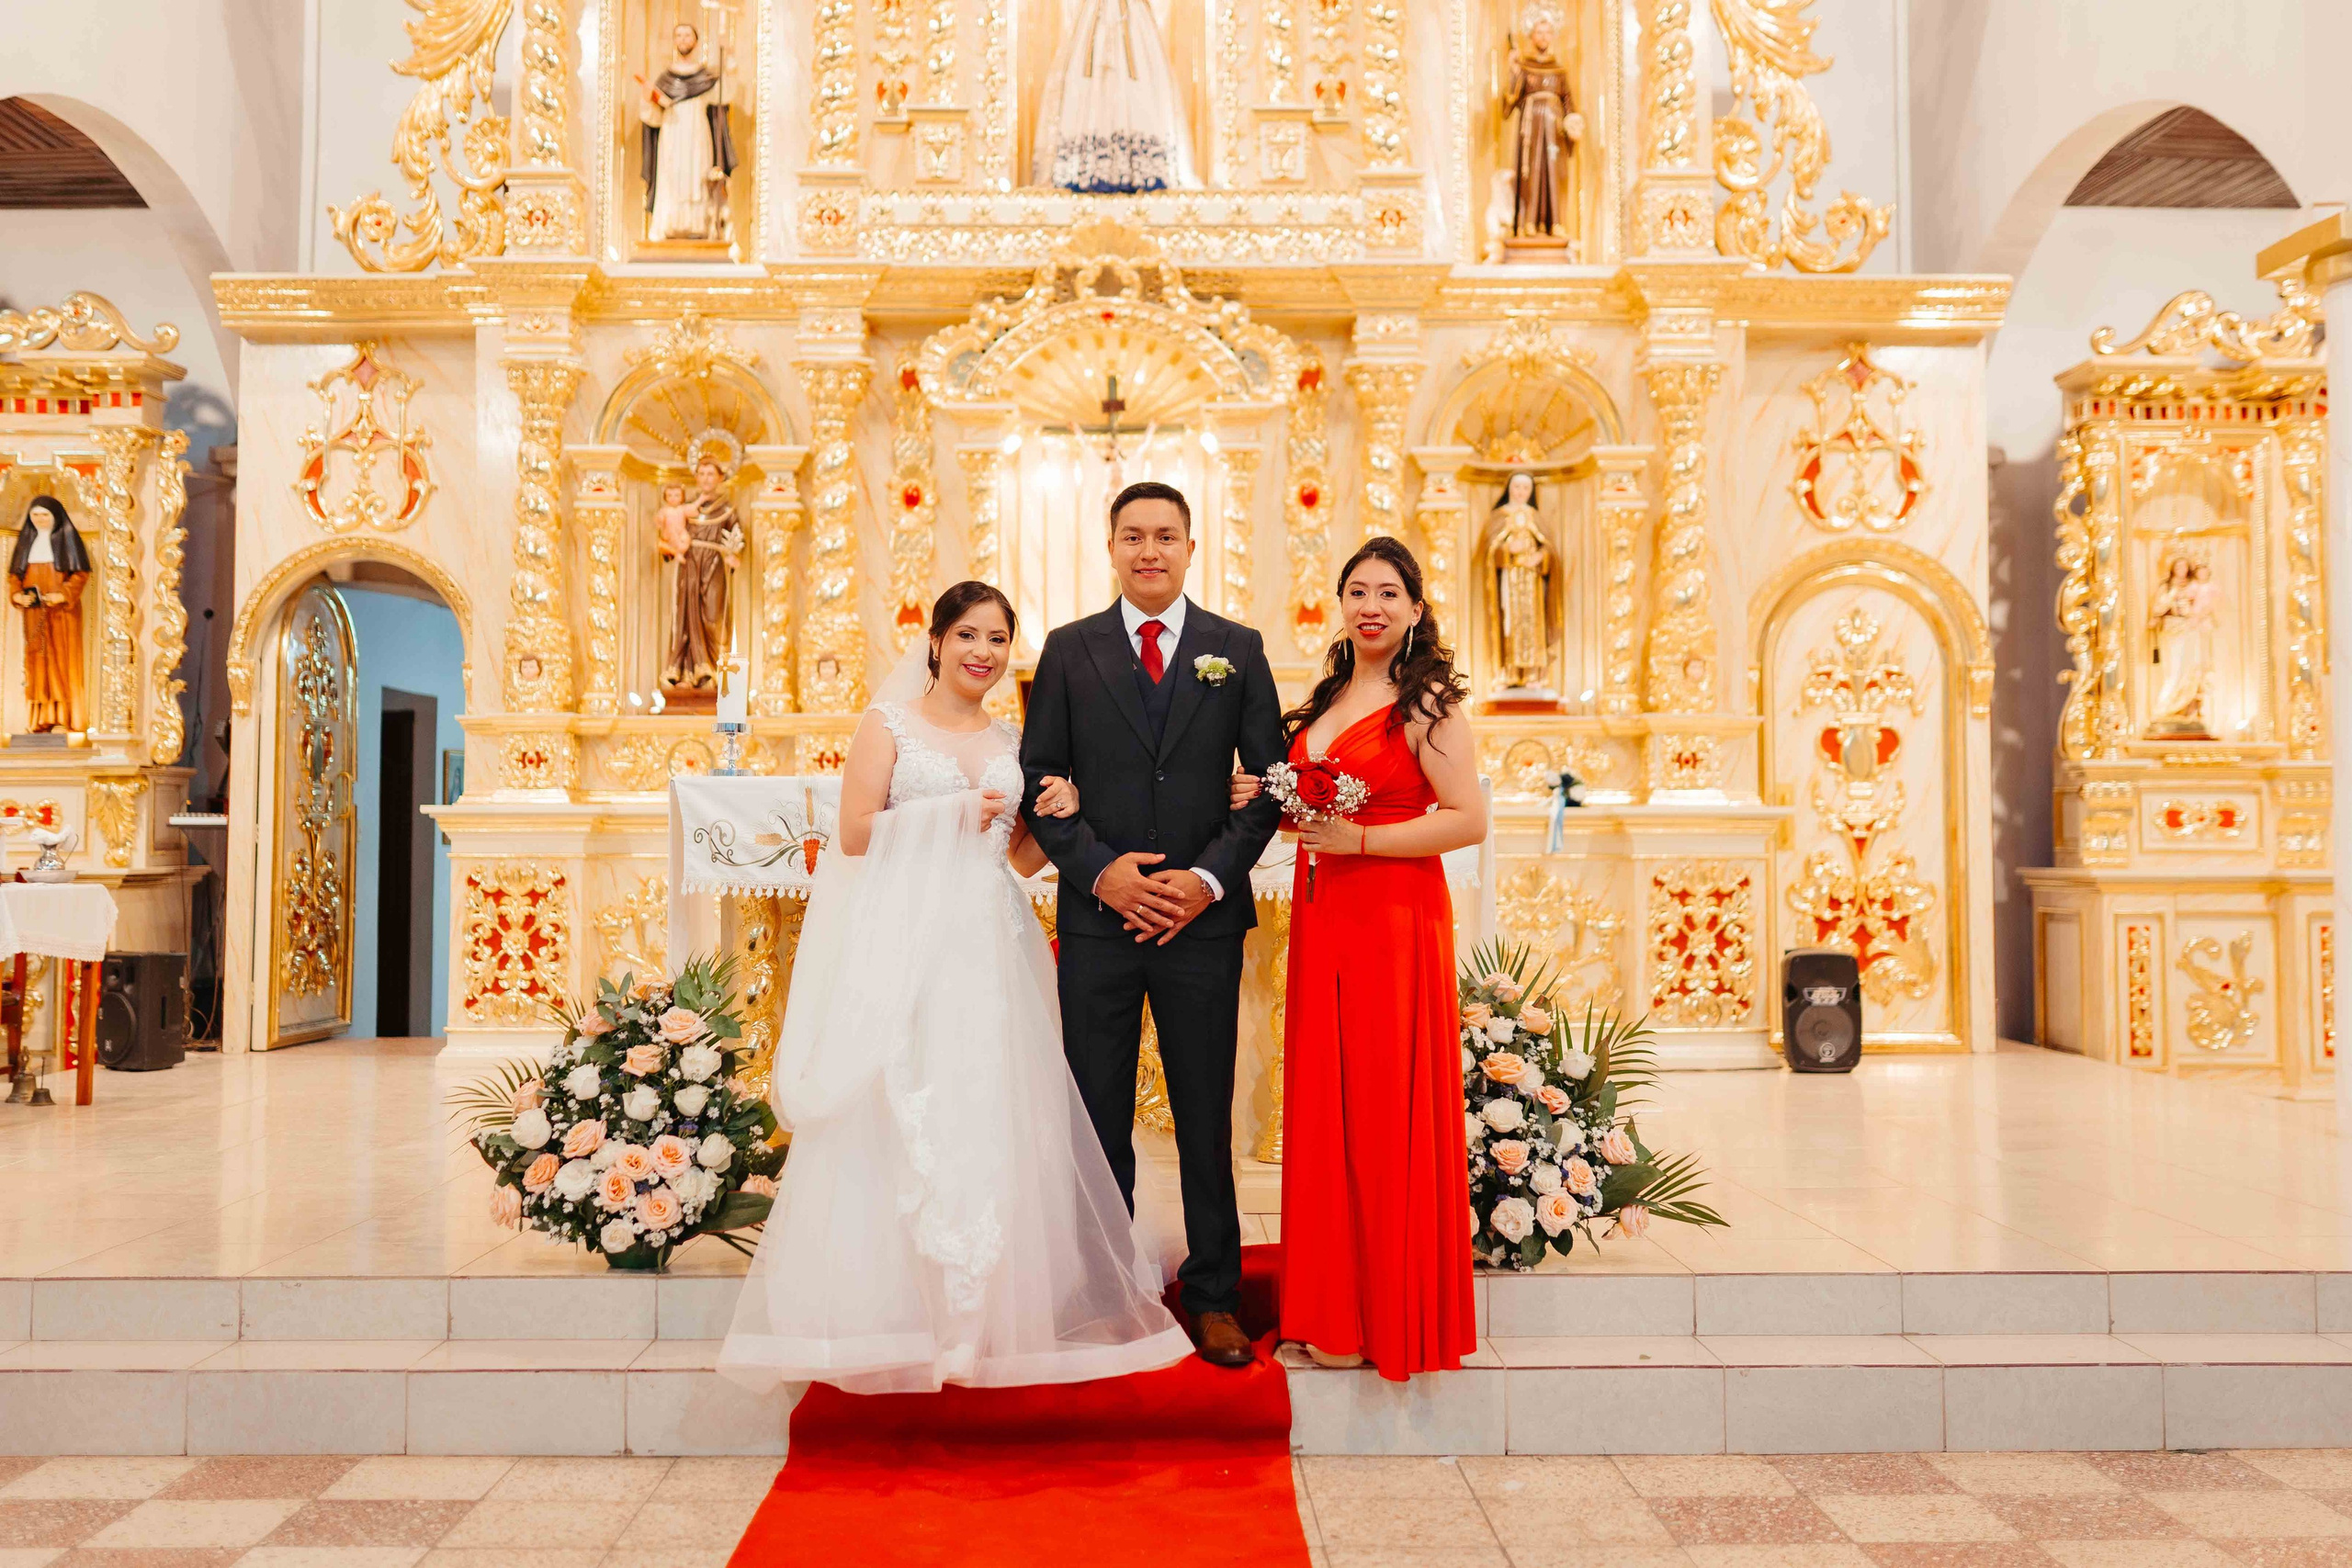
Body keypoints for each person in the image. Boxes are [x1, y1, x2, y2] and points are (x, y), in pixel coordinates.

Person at [719, 581, 1214, 1393]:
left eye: (996, 639)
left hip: (989, 942)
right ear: (937, 640)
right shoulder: (888, 725)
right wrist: (951, 810)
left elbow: (1017, 857)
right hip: (907, 942)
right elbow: (854, 833)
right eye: (968, 635)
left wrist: (1060, 809)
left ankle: (984, 1310)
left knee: (989, 1104)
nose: (982, 652)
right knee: (908, 1106)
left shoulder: (1011, 739)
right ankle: (903, 1304)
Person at [1021, 480, 1284, 1368]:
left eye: (1166, 536)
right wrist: (1104, 873)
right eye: (1132, 536)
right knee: (1095, 1119)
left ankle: (1213, 1297)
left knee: (1204, 1113)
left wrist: (1205, 880)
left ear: (1190, 548)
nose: (1149, 550)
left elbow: (1269, 786)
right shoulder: (1069, 649)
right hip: (1100, 923)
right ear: (1111, 548)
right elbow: (1040, 779)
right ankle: (1102, 1290)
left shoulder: (1235, 649)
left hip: (1199, 924)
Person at [1268, 536, 1487, 1380]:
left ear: (1416, 609)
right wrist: (1274, 801)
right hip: (1325, 914)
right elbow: (1312, 802)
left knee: (1380, 1104)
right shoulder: (1329, 694)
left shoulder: (1427, 703)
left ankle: (1385, 1314)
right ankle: (1333, 1310)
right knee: (1328, 1104)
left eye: (1389, 592)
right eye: (1358, 590)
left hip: (1393, 917)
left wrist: (1359, 839)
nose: (1371, 606)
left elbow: (1466, 817)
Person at [1030, 0, 1199, 193]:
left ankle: (1137, 166)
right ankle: (1087, 165)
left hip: (1133, 21)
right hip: (1095, 20)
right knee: (1090, 83)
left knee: (1137, 85)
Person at [639, 21, 736, 242]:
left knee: (696, 176)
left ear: (696, 41)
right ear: (674, 41)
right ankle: (669, 226)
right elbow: (653, 118)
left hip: (697, 134)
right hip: (671, 133)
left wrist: (729, 57)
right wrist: (647, 99)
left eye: (687, 35)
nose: (683, 39)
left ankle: (698, 226)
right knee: (672, 176)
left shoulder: (704, 78)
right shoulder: (665, 79)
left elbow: (725, 94)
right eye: (679, 35)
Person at [8, 496, 91, 734]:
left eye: (44, 515)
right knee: (38, 663)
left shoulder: (67, 541)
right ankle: (39, 720)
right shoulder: (27, 543)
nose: (40, 520)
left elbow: (80, 575)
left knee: (63, 663)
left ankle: (65, 718)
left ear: (55, 517)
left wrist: (62, 594)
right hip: (35, 613)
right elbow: (15, 576)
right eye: (35, 515)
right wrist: (17, 596)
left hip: (62, 614)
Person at [661, 457, 743, 693]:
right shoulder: (686, 508)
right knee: (687, 616)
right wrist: (670, 547)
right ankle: (691, 672)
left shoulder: (726, 510)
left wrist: (734, 554)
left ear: (720, 478)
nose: (706, 479)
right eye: (702, 473)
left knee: (712, 617)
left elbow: (737, 536)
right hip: (689, 566)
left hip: (714, 565)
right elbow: (669, 533)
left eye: (711, 474)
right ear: (696, 477)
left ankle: (717, 671)